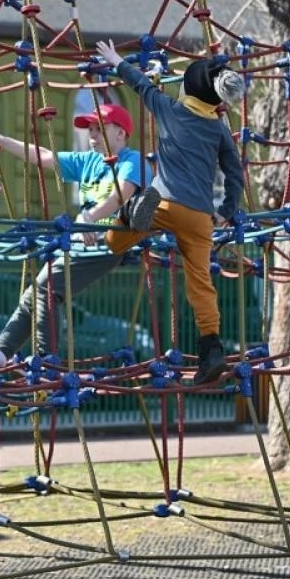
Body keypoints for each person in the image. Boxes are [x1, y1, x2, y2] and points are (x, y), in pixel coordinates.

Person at [93, 43, 245, 386]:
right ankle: (212, 350)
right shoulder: (218, 128)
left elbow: (141, 85)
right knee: (201, 283)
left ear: (188, 89)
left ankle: (131, 214)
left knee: (115, 242)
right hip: (199, 215)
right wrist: (227, 211)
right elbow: (234, 172)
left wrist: (117, 61)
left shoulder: (169, 109)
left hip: (162, 201)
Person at [0, 100, 151, 366]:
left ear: (120, 133)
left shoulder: (134, 160)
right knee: (34, 293)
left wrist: (88, 219)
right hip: (83, 240)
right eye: (90, 130)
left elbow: (121, 195)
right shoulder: (89, 161)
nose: (92, 135)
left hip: (111, 240)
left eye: (99, 129)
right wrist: (2, 141)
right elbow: (43, 156)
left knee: (47, 287)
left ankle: (47, 360)